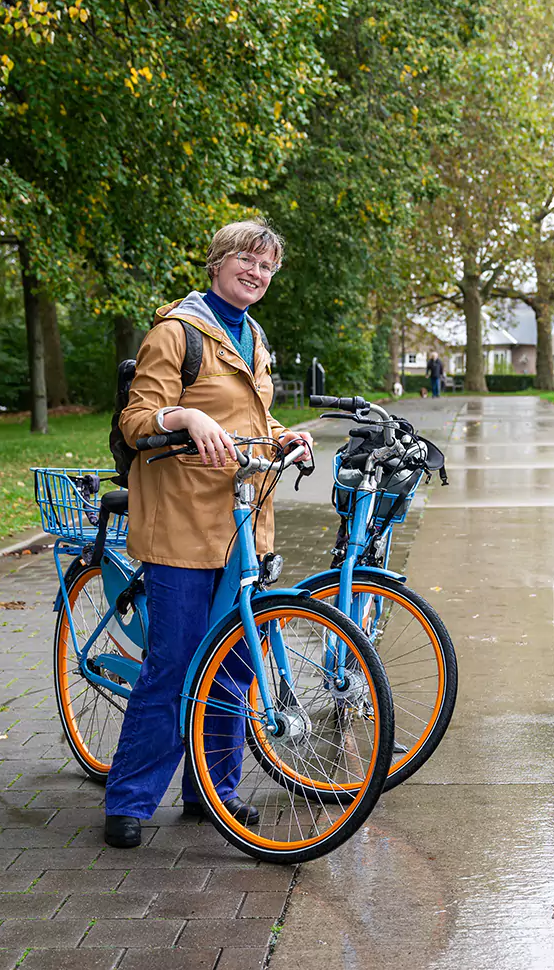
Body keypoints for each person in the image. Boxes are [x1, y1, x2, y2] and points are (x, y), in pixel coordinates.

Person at [103, 218, 313, 849]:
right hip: (184, 522)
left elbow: (251, 415)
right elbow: (139, 419)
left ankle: (213, 796)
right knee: (173, 664)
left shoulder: (252, 335)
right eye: (248, 260)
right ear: (218, 262)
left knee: (235, 666)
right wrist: (186, 412)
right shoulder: (178, 332)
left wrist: (284, 436)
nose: (258, 273)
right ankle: (130, 801)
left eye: (268, 266)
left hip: (246, 522)